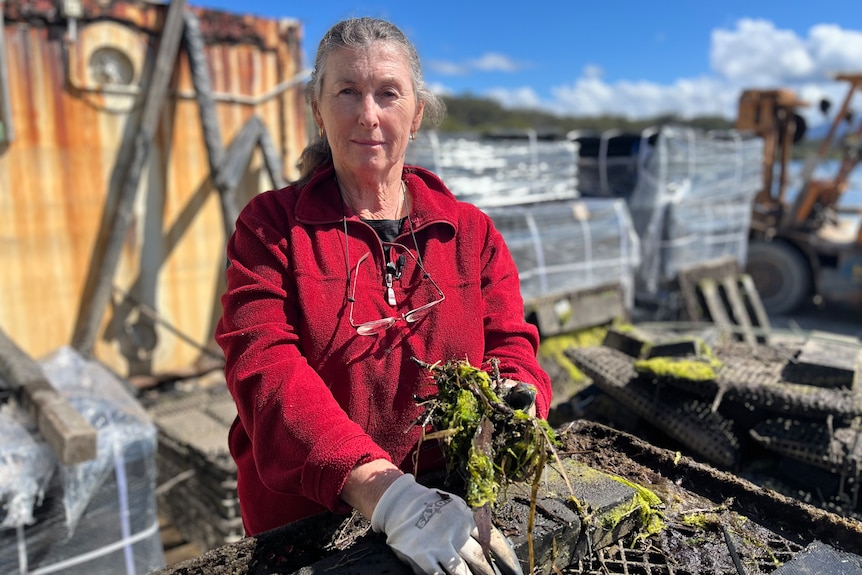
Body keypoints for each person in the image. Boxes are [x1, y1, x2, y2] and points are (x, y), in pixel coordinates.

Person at [215, 16, 552, 575]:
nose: (368, 115)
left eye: (387, 93)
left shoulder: (470, 233)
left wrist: (518, 397)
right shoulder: (271, 226)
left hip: (447, 510)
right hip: (310, 525)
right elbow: (265, 368)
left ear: (415, 114)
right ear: (318, 110)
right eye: (347, 91)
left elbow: (510, 342)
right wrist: (383, 491)